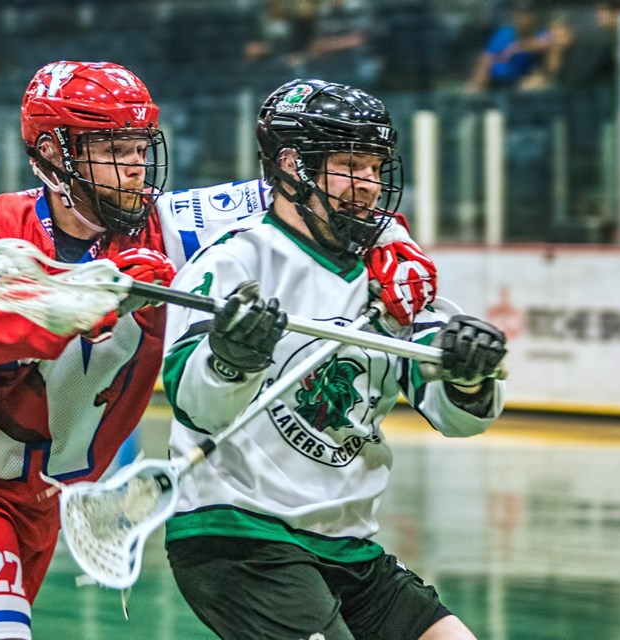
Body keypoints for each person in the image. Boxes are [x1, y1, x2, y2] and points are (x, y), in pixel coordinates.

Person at [0, 60, 440, 640]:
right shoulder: (6, 225)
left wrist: (394, 244)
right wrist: (81, 292)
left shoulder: (169, 227)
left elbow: (315, 194)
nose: (134, 168)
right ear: (52, 152)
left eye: (140, 147)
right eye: (111, 148)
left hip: (39, 497)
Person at [160, 79, 508, 639]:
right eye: (351, 164)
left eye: (375, 167)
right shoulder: (233, 262)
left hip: (348, 545)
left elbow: (458, 417)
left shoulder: (391, 268)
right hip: (241, 537)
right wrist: (230, 358)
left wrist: (467, 376)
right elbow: (196, 407)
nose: (369, 185)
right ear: (295, 166)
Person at [465, 1, 551, 93]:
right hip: (497, 81)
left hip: (522, 81)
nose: (523, 18)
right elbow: (487, 58)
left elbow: (547, 43)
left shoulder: (541, 33)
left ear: (534, 16)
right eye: (519, 14)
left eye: (527, 14)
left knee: (536, 82)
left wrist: (518, 47)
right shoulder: (504, 34)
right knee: (479, 74)